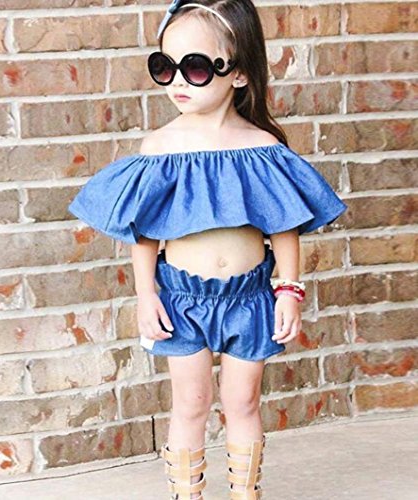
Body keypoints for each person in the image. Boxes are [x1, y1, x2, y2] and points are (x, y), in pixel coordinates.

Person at [68, 1, 348, 498]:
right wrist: (146, 295)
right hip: (182, 301)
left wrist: (288, 291)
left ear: (238, 73)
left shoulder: (261, 148)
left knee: (243, 404)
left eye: (195, 68)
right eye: (165, 66)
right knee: (191, 404)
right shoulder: (160, 149)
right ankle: (187, 493)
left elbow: (284, 225)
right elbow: (144, 231)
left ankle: (245, 492)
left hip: (250, 300)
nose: (177, 81)